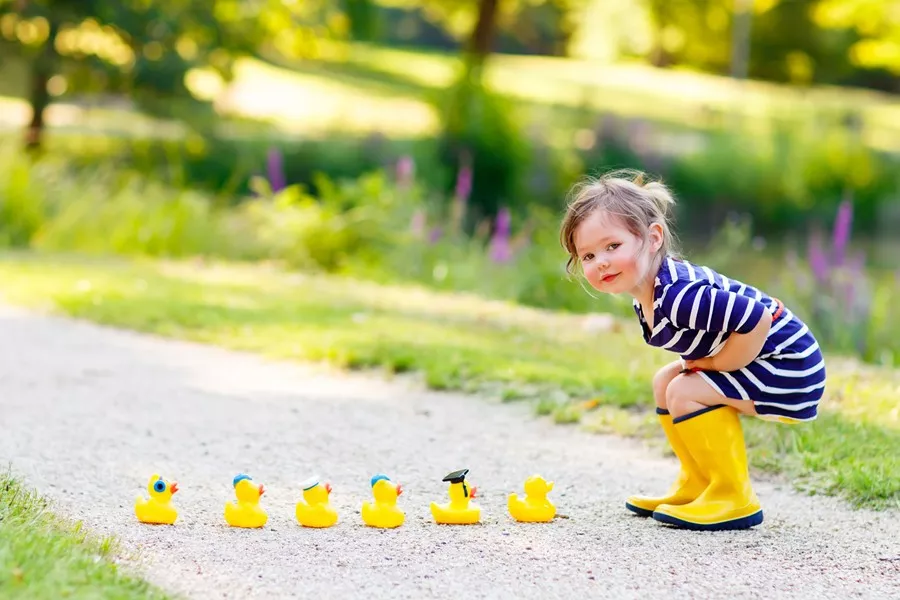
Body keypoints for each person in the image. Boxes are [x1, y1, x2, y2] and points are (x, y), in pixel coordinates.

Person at [559, 169, 826, 531]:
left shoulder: (679, 295)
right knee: (665, 381)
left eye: (612, 246)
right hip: (767, 360)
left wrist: (718, 364)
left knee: (686, 389)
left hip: (790, 367)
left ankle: (733, 496)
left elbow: (758, 318)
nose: (600, 261)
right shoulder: (649, 295)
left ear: (652, 238)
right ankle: (698, 483)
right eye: (587, 256)